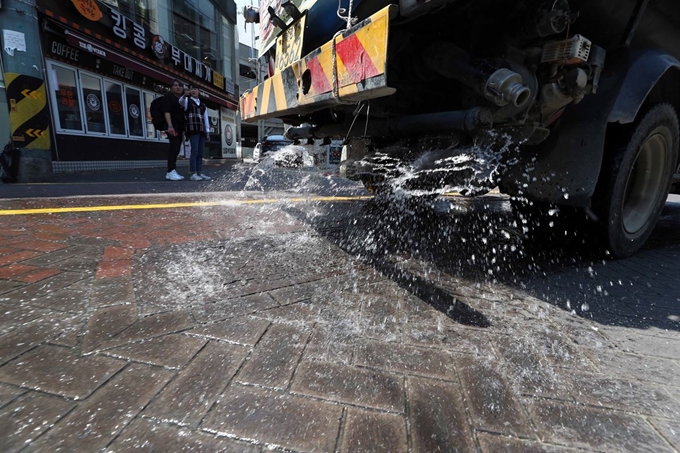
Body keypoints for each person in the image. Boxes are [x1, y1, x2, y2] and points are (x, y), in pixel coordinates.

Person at [181, 84, 211, 180]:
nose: (193, 91)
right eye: (191, 89)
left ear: (199, 91)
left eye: (195, 89)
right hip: (193, 129)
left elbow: (205, 119)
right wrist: (184, 95)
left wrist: (207, 132)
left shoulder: (203, 105)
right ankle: (193, 173)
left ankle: (199, 172)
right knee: (194, 151)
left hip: (202, 130)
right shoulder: (187, 101)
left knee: (201, 153)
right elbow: (180, 102)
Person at [162, 79, 188, 181]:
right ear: (171, 88)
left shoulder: (181, 99)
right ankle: (170, 171)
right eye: (175, 85)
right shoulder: (169, 97)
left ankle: (173, 170)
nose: (178, 87)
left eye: (180, 86)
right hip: (173, 127)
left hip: (180, 127)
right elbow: (166, 111)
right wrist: (170, 126)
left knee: (177, 148)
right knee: (174, 147)